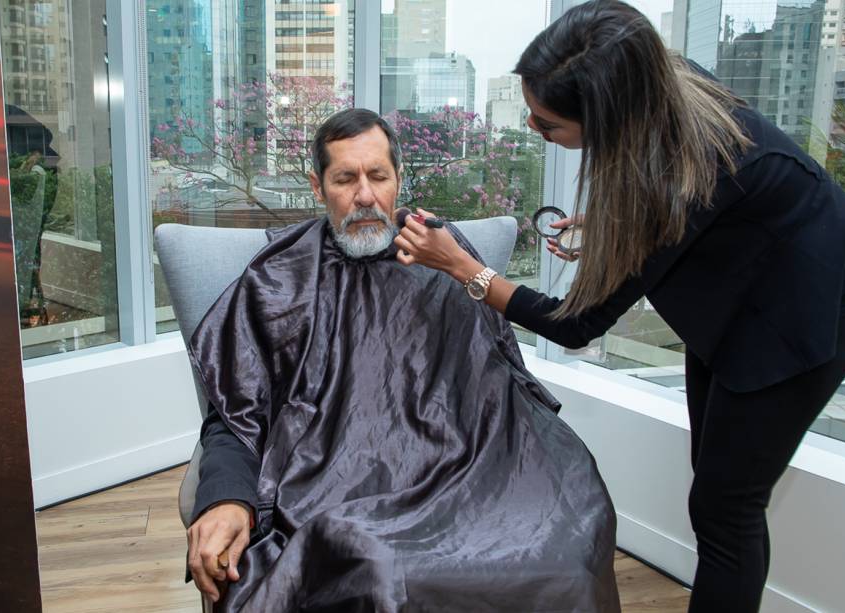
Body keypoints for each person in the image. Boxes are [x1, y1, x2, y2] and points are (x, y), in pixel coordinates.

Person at [393, 2, 845, 612]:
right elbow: (700, 213)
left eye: (546, 125)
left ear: (610, 119)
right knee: (716, 476)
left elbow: (575, 325)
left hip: (802, 313)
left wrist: (463, 267)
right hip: (740, 288)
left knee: (725, 509)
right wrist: (609, 224)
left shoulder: (675, 183)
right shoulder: (664, 94)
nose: (535, 132)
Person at [185, 108, 620, 612]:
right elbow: (234, 412)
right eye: (345, 178)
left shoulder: (446, 258)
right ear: (317, 185)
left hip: (470, 475)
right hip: (332, 495)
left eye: (379, 176)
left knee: (567, 546)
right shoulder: (277, 281)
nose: (365, 195)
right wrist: (224, 496)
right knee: (371, 565)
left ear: (398, 180)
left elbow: (496, 385)